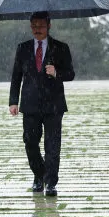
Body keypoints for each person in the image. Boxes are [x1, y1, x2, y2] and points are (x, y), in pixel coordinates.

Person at [9, 11, 75, 197]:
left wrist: (56, 73)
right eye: (34, 26)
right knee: (30, 142)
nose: (37, 29)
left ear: (49, 25)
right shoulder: (23, 48)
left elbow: (70, 74)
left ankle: (51, 183)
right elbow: (16, 76)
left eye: (41, 26)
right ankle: (39, 175)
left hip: (54, 105)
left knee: (52, 145)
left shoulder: (60, 48)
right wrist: (13, 101)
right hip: (30, 104)